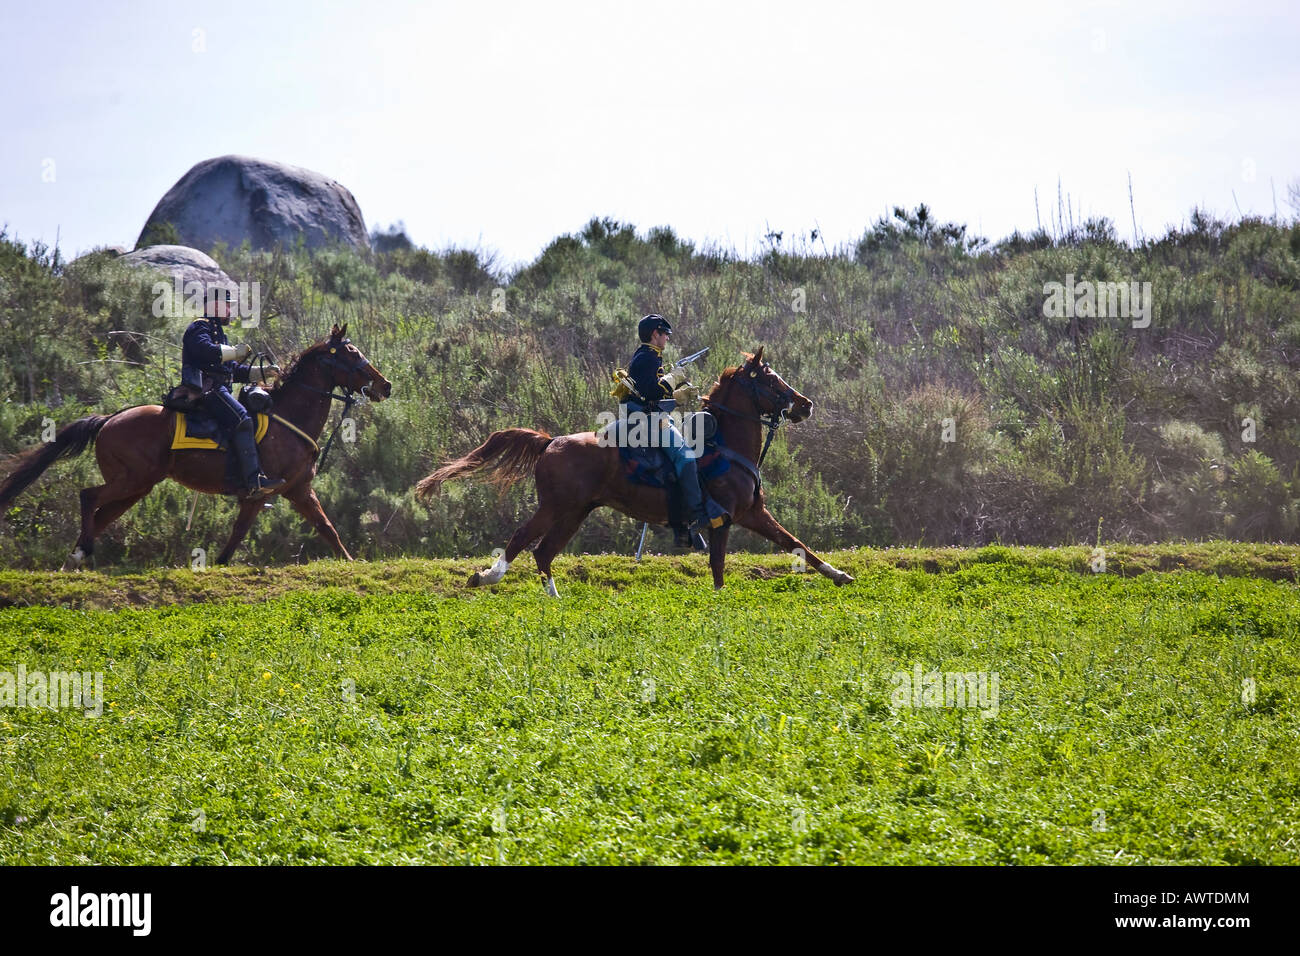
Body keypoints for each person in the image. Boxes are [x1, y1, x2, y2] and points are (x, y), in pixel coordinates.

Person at [180, 287, 284, 499]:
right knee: (243, 420)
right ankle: (254, 481)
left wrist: (260, 372)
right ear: (215, 306)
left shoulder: (218, 332)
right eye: (227, 305)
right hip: (208, 391)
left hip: (219, 390)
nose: (230, 310)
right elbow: (205, 350)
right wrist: (234, 352)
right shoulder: (199, 327)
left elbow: (231, 371)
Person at [622, 314, 709, 550]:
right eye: (665, 333)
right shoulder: (647, 358)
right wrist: (674, 377)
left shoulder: (651, 357)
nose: (668, 337)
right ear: (654, 334)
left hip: (654, 416)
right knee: (686, 457)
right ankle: (695, 515)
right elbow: (651, 392)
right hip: (649, 421)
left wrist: (678, 395)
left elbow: (655, 393)